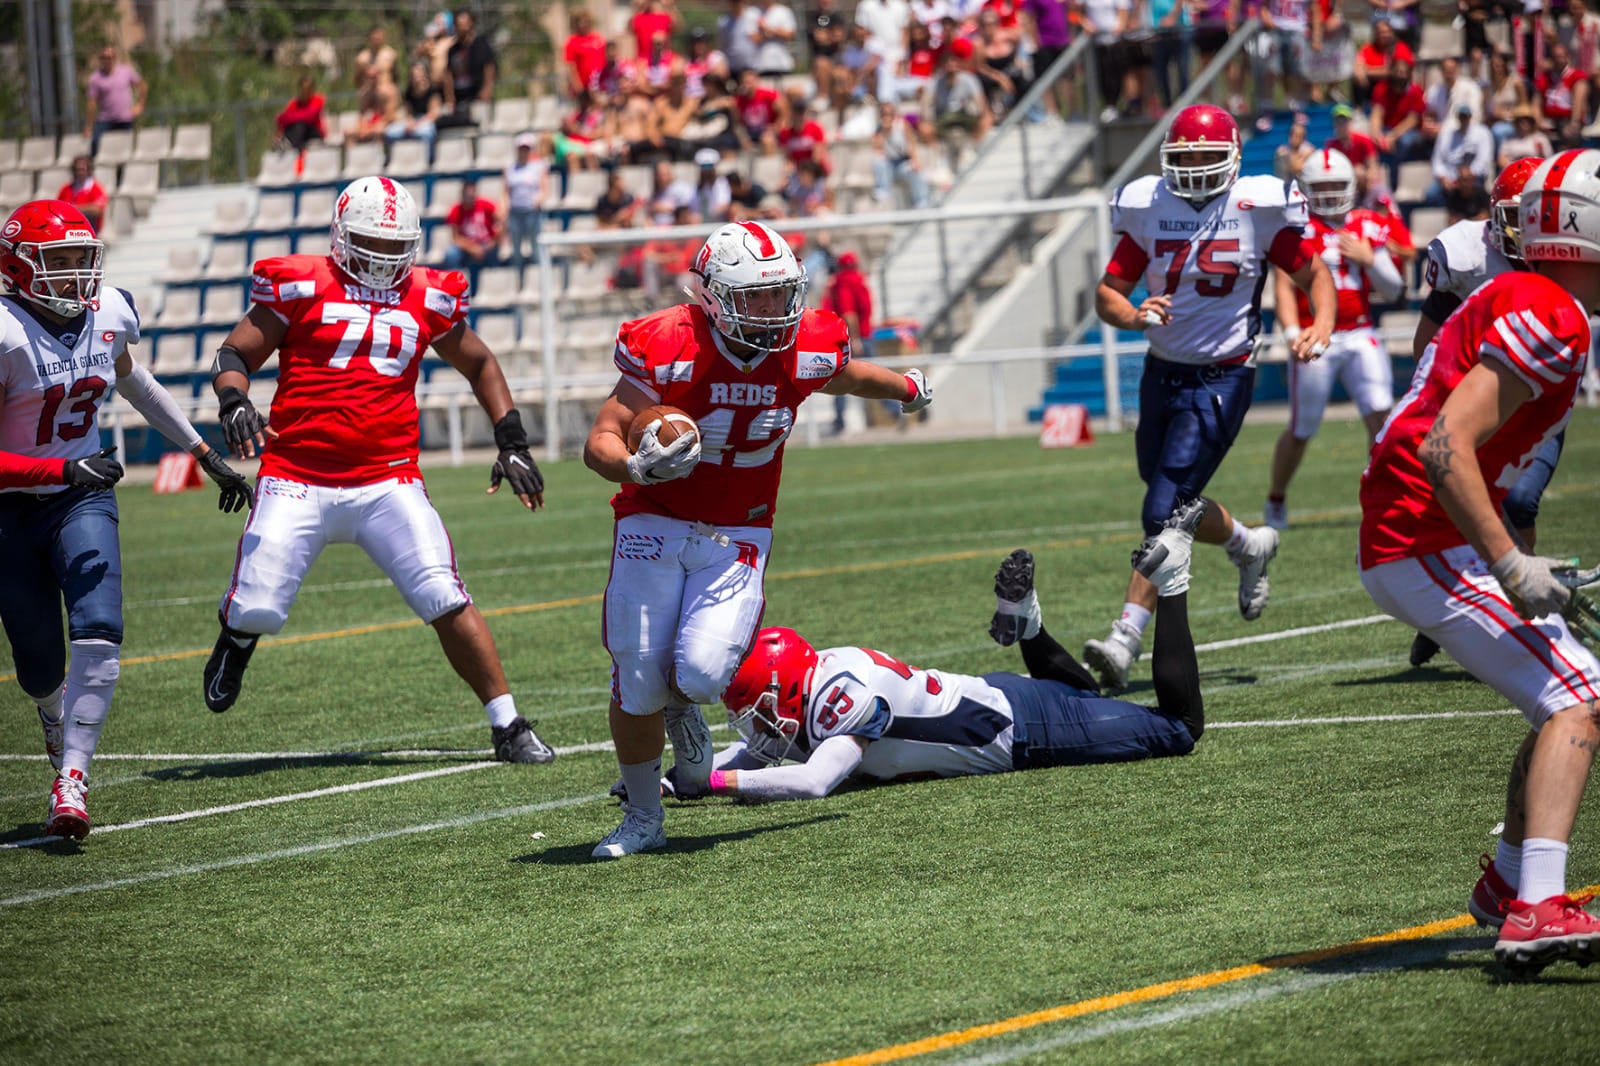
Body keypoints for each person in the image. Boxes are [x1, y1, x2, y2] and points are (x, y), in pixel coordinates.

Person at [581, 220, 935, 858]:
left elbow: (848, 376)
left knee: (701, 673)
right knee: (636, 674)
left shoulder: (807, 343)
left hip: (739, 526)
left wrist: (906, 387)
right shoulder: (670, 342)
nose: (772, 310)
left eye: (780, 294)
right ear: (714, 297)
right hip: (653, 515)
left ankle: (681, 707)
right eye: (756, 297)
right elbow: (600, 438)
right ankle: (643, 817)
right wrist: (634, 467)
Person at [199, 176, 553, 767]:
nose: (384, 259)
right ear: (341, 237)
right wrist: (234, 400)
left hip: (388, 479)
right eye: (372, 245)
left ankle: (508, 723)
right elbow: (234, 353)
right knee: (257, 607)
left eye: (395, 247)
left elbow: (480, 362)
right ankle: (237, 638)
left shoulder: (428, 294)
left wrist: (511, 439)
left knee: (443, 592)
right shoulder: (302, 283)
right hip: (296, 475)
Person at [1358, 149, 1600, 977]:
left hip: (1423, 531)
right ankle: (1536, 907)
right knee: (1581, 696)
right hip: (1421, 537)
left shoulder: (1529, 295)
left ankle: (1508, 883)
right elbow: (1444, 444)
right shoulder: (1553, 311)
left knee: (1561, 694)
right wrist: (1510, 564)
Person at [0, 199, 252, 840]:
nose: (76, 274)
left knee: (100, 627)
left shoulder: (108, 313)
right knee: (37, 661)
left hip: (81, 498)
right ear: (18, 267)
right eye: (59, 261)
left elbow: (132, 380)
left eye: (81, 259)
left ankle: (72, 779)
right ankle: (53, 711)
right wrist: (61, 470)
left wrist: (202, 452)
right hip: (11, 508)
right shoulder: (4, 332)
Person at [704, 502, 1208, 802]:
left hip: (1022, 729)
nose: (755, 726)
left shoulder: (842, 705)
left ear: (788, 689)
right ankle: (1029, 626)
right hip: (998, 696)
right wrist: (684, 778)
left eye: (758, 711)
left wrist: (717, 783)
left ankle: (1171, 579)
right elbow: (756, 752)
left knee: (1180, 728)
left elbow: (815, 781)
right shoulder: (823, 672)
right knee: (1085, 693)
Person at [1083, 104, 1335, 691]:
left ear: (1233, 159)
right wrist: (1134, 315)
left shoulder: (1256, 207)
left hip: (1223, 375)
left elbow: (1315, 275)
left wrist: (1321, 323)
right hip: (1161, 371)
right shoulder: (1151, 205)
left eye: (1207, 156)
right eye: (1186, 157)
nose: (1195, 167)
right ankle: (1249, 544)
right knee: (1175, 499)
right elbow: (1108, 293)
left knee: (1161, 508)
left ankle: (1126, 636)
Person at [1406, 155, 1555, 669]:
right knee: (1455, 505)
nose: (1526, 228)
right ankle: (1451, 614)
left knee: (1519, 501)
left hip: (1537, 400)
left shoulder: (1568, 258)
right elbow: (1429, 336)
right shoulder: (1466, 254)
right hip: (1475, 398)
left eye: (1535, 215)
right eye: (1516, 216)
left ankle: (1521, 609)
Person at [1263, 149, 1404, 530]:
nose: (1328, 194)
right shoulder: (1296, 227)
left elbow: (1394, 290)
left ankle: (1384, 498)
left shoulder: (1367, 224)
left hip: (1360, 331)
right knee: (1302, 428)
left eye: (1336, 186)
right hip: (1315, 336)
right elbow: (1283, 286)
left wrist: (1370, 259)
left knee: (1381, 415)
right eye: (1321, 187)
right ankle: (1276, 498)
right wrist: (1291, 333)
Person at [83, 46, 146, 155]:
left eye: (110, 57)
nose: (108, 60)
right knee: (95, 142)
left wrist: (140, 105)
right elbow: (92, 102)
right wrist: (88, 126)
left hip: (125, 118)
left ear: (115, 58)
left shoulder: (126, 71)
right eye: (105, 57)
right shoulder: (96, 78)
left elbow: (142, 86)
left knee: (125, 149)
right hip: (106, 119)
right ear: (101, 59)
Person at [503, 134, 551, 272]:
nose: (523, 152)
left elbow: (545, 189)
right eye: (521, 149)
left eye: (526, 149)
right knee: (516, 249)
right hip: (515, 213)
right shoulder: (510, 168)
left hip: (532, 213)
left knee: (536, 247)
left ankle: (538, 276)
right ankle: (518, 277)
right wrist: (504, 207)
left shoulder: (539, 167)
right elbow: (505, 191)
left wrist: (538, 200)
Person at [444, 8, 497, 123]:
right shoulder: (452, 50)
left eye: (465, 24)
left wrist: (487, 89)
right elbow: (448, 74)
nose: (462, 27)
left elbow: (489, 67)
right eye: (459, 24)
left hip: (478, 96)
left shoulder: (481, 44)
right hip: (460, 98)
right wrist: (450, 97)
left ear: (471, 24)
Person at [442, 179, 503, 269]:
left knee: (494, 252)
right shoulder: (456, 210)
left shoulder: (485, 205)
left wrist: (494, 240)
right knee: (451, 254)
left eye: (472, 195)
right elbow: (455, 237)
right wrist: (472, 248)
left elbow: (501, 220)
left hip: (486, 244)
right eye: (467, 195)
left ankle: (494, 273)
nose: (470, 198)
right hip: (466, 246)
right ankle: (456, 276)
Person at [55, 156, 110, 234]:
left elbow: (97, 210)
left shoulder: (96, 188)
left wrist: (73, 209)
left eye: (82, 169)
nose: (80, 173)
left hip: (89, 230)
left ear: (89, 170)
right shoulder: (66, 189)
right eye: (77, 170)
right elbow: (58, 208)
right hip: (68, 229)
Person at [275, 75, 328, 152]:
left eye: (307, 89)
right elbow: (281, 119)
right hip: (299, 133)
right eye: (303, 89)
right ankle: (285, 143)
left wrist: (291, 117)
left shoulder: (318, 100)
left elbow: (310, 117)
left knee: (300, 125)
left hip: (314, 132)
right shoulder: (294, 103)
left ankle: (289, 144)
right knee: (295, 126)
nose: (305, 92)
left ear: (312, 89)